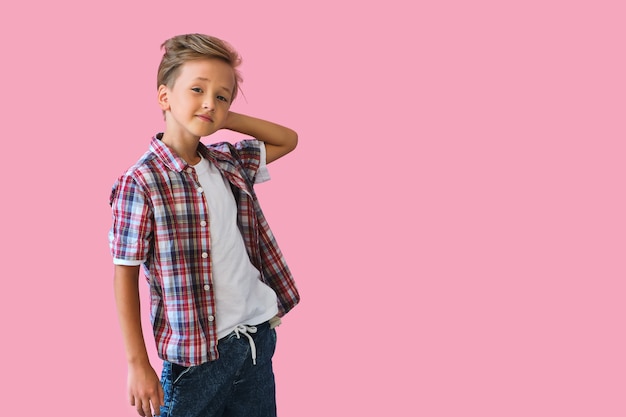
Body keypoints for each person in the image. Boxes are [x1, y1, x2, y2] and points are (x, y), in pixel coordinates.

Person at [109, 33, 300, 417]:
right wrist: (137, 364)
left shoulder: (227, 161)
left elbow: (288, 139)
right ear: (164, 96)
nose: (210, 103)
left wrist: (226, 120)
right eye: (197, 89)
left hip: (255, 341)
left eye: (222, 96)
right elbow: (124, 276)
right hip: (195, 361)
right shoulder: (141, 182)